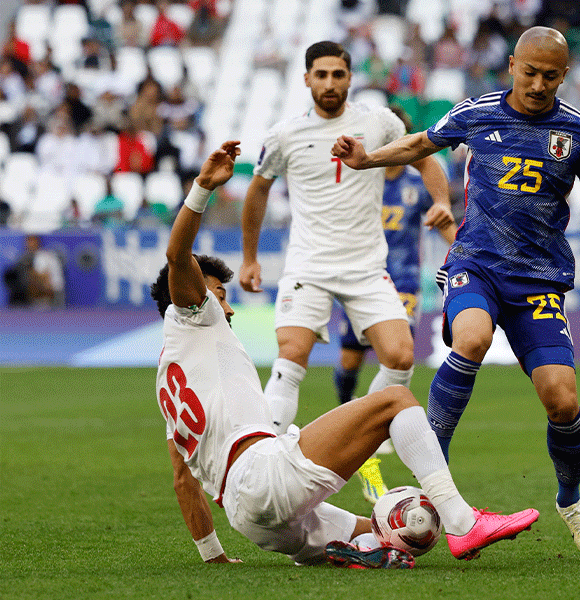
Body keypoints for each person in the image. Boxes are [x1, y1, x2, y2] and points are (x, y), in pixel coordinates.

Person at [332, 26, 580, 560]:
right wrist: (366, 158)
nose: (538, 84)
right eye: (530, 71)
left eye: (551, 75)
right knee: (469, 339)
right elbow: (422, 142)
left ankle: (569, 499)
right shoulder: (478, 113)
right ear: (512, 64)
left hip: (539, 281)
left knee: (563, 402)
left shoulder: (579, 133)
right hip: (476, 265)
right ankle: (434, 477)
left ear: (565, 75)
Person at [151, 140, 539, 569]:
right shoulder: (193, 317)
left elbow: (182, 480)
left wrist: (214, 557)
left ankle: (368, 552)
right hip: (261, 477)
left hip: (250, 520)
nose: (226, 306)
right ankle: (463, 522)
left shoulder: (171, 376)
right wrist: (202, 188)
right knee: (395, 400)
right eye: (218, 294)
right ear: (189, 296)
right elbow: (176, 256)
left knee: (384, 533)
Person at [240, 41, 455, 504]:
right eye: (321, 74)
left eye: (338, 74)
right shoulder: (285, 134)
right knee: (291, 354)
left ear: (350, 78)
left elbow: (424, 156)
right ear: (306, 80)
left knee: (400, 356)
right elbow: (257, 191)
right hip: (309, 266)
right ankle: (261, 462)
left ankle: (362, 439)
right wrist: (251, 258)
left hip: (365, 267)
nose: (330, 83)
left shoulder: (378, 122)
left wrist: (441, 201)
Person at [333, 107, 456, 408]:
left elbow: (441, 220)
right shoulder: (359, 177)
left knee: (399, 353)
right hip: (363, 275)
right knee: (350, 358)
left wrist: (464, 250)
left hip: (404, 277)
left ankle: (372, 420)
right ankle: (345, 410)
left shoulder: (417, 182)